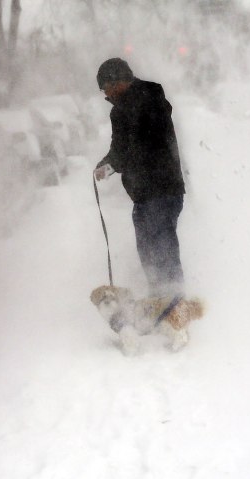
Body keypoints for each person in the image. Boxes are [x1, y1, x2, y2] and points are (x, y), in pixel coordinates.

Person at [93, 57, 186, 298]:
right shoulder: (122, 109)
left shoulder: (148, 100)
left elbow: (141, 145)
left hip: (162, 190)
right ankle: (160, 302)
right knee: (149, 253)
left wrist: (115, 164)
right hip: (144, 196)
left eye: (108, 87)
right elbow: (120, 148)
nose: (107, 94)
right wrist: (106, 164)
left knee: (163, 252)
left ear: (119, 81)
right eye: (105, 90)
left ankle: (175, 305)